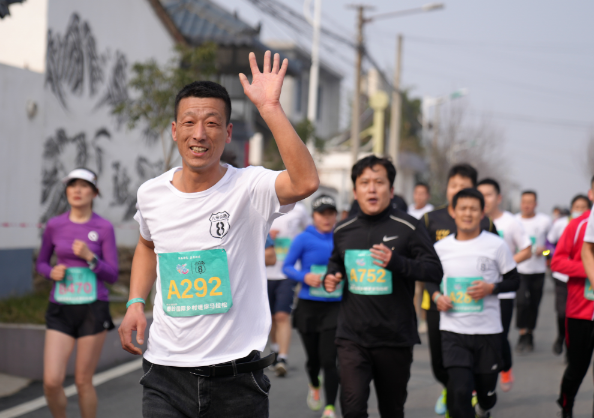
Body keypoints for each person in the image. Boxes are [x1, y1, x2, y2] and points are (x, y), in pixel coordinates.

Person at [118, 52, 319, 417]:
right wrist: (135, 302)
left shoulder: (250, 187)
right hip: (165, 373)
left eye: (211, 123)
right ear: (175, 130)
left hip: (236, 378)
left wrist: (270, 108)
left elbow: (305, 182)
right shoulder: (151, 194)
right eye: (189, 122)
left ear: (227, 133)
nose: (199, 134)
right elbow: (147, 245)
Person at [323, 155, 443, 418]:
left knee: (392, 410)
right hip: (352, 336)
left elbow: (434, 270)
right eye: (364, 183)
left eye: (379, 182)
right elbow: (336, 262)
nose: (372, 189)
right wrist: (331, 276)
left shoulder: (409, 227)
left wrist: (397, 262)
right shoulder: (343, 229)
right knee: (352, 409)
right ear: (355, 191)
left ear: (391, 189)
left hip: (394, 336)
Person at [36, 168, 119, 418]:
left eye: (84, 186)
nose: (77, 191)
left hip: (92, 308)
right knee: (51, 382)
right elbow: (41, 263)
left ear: (94, 192)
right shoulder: (54, 225)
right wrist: (51, 272)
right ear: (67, 191)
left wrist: (90, 258)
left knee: (83, 381)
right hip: (61, 306)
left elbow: (112, 274)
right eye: (72, 185)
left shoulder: (103, 227)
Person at [434, 188, 519, 418]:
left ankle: (484, 407)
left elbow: (514, 281)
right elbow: (430, 280)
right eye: (463, 208)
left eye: (473, 209)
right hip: (453, 332)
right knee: (460, 391)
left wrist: (492, 288)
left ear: (482, 213)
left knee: (486, 395)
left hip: (488, 332)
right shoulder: (440, 248)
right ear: (453, 212)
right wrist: (436, 297)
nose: (468, 213)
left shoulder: (496, 245)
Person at [422, 164, 498, 416]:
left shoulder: (485, 222)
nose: (457, 190)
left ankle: (462, 394)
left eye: (463, 186)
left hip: (476, 307)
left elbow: (498, 262)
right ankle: (452, 389)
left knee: (468, 366)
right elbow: (420, 259)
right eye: (453, 185)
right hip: (439, 302)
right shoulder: (430, 219)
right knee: (439, 362)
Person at [282, 195, 340, 418]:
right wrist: (305, 277)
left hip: (335, 307)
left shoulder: (341, 237)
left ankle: (330, 407)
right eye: (322, 214)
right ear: (313, 216)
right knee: (314, 361)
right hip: (308, 306)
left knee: (329, 360)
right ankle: (314, 384)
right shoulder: (303, 239)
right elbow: (287, 267)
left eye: (331, 214)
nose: (326, 218)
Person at [477, 178, 531, 392]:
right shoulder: (469, 221)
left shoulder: (510, 222)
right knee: (475, 338)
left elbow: (527, 250)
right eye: (480, 194)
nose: (484, 199)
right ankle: (475, 385)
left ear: (498, 198)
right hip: (475, 292)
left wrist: (504, 265)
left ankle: (505, 367)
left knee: (498, 336)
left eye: (488, 194)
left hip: (502, 293)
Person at [552, 177, 594, 418]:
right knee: (577, 367)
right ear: (591, 194)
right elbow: (557, 261)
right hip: (581, 311)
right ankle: (566, 405)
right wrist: (588, 269)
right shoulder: (578, 225)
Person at [266, 200, 310, 376]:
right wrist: (267, 237)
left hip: (287, 272)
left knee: (282, 315)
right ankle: (275, 350)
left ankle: (283, 358)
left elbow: (308, 230)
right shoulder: (264, 205)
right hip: (265, 272)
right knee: (270, 317)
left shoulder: (299, 210)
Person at [548, 194, 591, 356]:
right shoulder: (565, 224)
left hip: (583, 286)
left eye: (583, 207)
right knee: (562, 312)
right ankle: (562, 337)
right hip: (563, 278)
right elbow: (549, 244)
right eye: (577, 207)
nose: (579, 210)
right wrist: (549, 253)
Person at [514, 191, 552, 353]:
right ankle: (522, 333)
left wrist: (544, 251)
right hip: (520, 270)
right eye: (524, 202)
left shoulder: (545, 221)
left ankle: (530, 333)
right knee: (522, 302)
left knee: (534, 304)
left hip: (538, 270)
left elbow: (552, 247)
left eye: (530, 202)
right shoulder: (514, 221)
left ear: (536, 204)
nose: (526, 205)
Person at [408, 182, 434, 334]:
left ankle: (424, 319)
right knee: (414, 291)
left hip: (424, 258)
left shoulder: (430, 214)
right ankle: (415, 319)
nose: (419, 196)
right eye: (417, 193)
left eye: (422, 193)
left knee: (425, 291)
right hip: (411, 258)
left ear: (428, 196)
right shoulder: (409, 211)